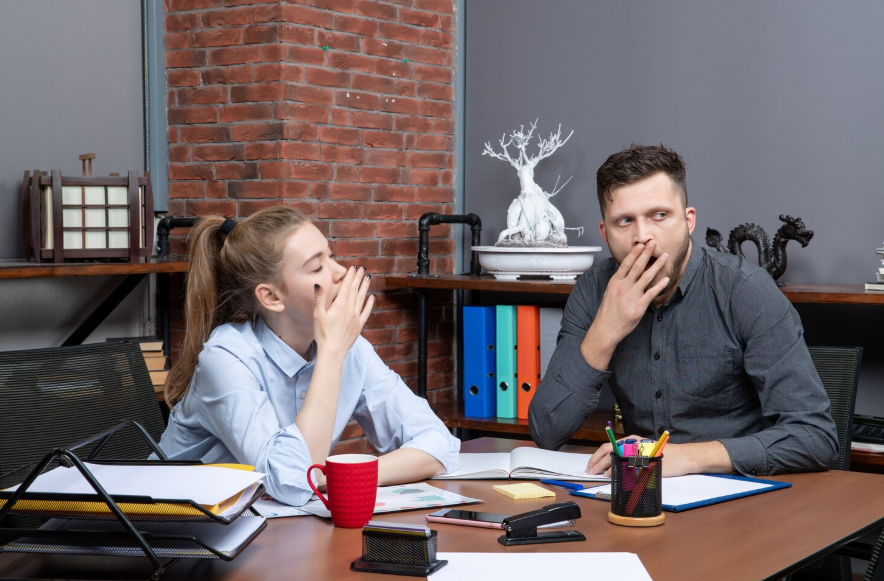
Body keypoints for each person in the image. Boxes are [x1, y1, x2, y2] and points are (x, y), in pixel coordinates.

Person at [528, 144, 837, 478]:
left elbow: (815, 437)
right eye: (624, 221)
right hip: (642, 491)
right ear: (605, 233)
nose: (643, 237)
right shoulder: (592, 291)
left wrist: (684, 458)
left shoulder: (746, 289)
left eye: (659, 215)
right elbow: (546, 432)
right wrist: (605, 331)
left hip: (739, 493)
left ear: (689, 221)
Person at [156, 206, 459, 506]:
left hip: (266, 523)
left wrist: (349, 475)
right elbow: (294, 485)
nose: (341, 272)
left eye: (331, 256)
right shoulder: (226, 357)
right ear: (272, 297)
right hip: (169, 523)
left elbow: (439, 443)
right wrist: (332, 353)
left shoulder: (349, 349)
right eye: (317, 268)